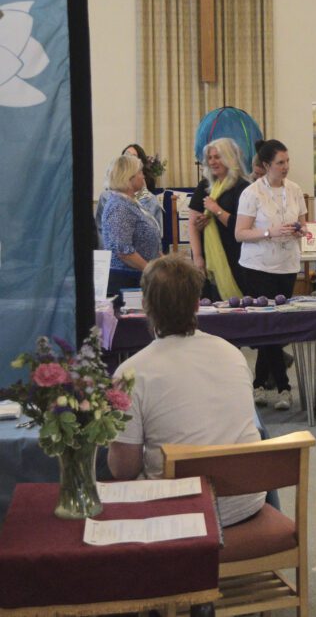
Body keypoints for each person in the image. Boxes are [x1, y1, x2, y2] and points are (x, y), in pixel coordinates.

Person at [108, 254, 265, 527]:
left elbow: (124, 470)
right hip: (246, 503)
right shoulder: (232, 354)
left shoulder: (131, 372)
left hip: (180, 511)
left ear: (144, 306)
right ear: (196, 304)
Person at [235, 139, 306, 410]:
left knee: (275, 327)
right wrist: (269, 232)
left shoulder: (295, 190)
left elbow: (304, 223)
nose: (285, 167)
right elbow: (240, 233)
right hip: (257, 267)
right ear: (266, 165)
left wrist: (300, 230)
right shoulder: (252, 193)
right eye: (280, 163)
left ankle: (258, 385)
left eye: (287, 161)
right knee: (269, 327)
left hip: (287, 265)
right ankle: (284, 387)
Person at [187, 138, 249, 301]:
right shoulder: (205, 186)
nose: (213, 162)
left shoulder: (242, 187)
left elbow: (240, 226)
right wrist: (198, 257)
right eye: (210, 158)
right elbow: (193, 224)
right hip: (209, 259)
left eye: (217, 157)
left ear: (229, 158)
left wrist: (216, 210)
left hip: (236, 258)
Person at [100, 154, 163, 297]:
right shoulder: (119, 207)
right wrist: (150, 271)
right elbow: (123, 251)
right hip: (128, 282)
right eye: (140, 172)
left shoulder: (130, 202)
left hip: (140, 277)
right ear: (129, 177)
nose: (143, 176)